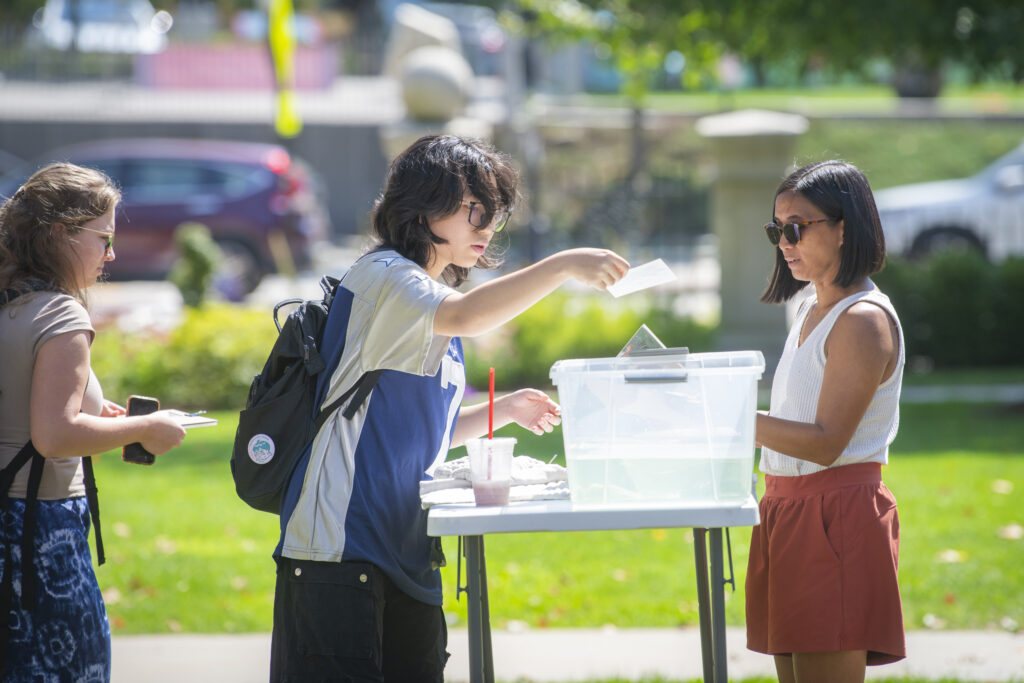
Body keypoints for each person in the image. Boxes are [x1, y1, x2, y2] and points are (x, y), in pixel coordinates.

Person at [269, 134, 629, 681]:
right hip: (339, 553)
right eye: (476, 210)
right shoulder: (387, 277)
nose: (488, 228)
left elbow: (420, 428)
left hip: (402, 549)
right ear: (422, 203)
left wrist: (503, 409)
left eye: (496, 215)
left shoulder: (426, 297)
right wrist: (563, 265)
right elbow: (468, 315)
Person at [0, 162, 187, 681]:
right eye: (102, 238)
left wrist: (96, 417)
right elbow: (54, 435)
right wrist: (144, 428)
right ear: (59, 233)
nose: (110, 254)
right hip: (39, 530)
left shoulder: (11, 304)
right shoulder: (61, 315)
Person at [745, 160, 906, 682]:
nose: (784, 242)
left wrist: (729, 413)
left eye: (796, 228)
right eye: (777, 229)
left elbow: (825, 443)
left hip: (835, 514)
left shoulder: (862, 321)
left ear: (844, 228)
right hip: (786, 509)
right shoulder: (808, 305)